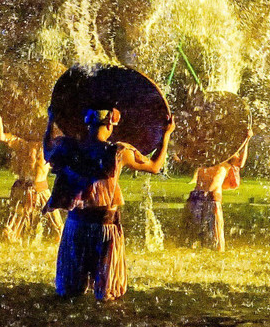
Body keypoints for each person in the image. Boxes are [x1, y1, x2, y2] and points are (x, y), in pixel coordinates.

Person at [44, 106, 174, 301]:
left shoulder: (69, 148)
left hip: (75, 226)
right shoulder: (118, 153)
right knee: (107, 293)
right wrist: (166, 136)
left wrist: (50, 123)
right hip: (105, 228)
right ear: (110, 124)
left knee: (70, 293)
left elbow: (47, 152)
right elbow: (155, 167)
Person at [0, 113, 63, 244]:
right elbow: (1, 136)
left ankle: (55, 252)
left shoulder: (50, 146)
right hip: (25, 189)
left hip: (42, 189)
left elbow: (68, 137)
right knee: (10, 230)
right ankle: (13, 247)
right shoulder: (22, 145)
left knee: (60, 229)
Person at [181, 128, 251, 251]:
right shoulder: (203, 151)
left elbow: (240, 163)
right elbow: (187, 156)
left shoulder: (227, 154)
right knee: (190, 233)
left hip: (213, 196)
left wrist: (247, 141)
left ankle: (219, 253)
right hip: (197, 195)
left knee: (216, 231)